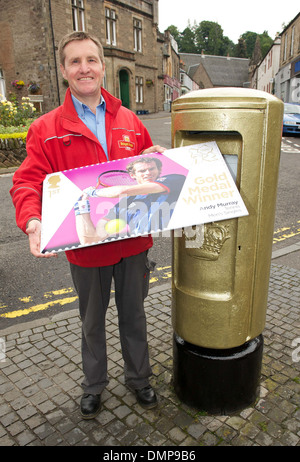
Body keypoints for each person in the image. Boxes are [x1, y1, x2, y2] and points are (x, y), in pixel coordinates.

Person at [10, 31, 166, 420]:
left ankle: (139, 379)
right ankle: (94, 385)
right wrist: (32, 219)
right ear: (64, 70)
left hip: (133, 242)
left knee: (134, 316)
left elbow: (146, 169)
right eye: (75, 61)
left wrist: (158, 159)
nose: (85, 68)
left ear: (102, 66)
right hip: (85, 245)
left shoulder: (129, 120)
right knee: (91, 322)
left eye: (91, 60)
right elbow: (27, 182)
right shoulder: (47, 128)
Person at [75, 157, 186, 244]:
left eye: (151, 168)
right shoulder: (124, 205)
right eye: (142, 170)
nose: (148, 173)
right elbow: (89, 239)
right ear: (132, 175)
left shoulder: (174, 179)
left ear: (158, 170)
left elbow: (121, 192)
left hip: (181, 240)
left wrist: (93, 193)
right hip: (144, 247)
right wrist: (82, 205)